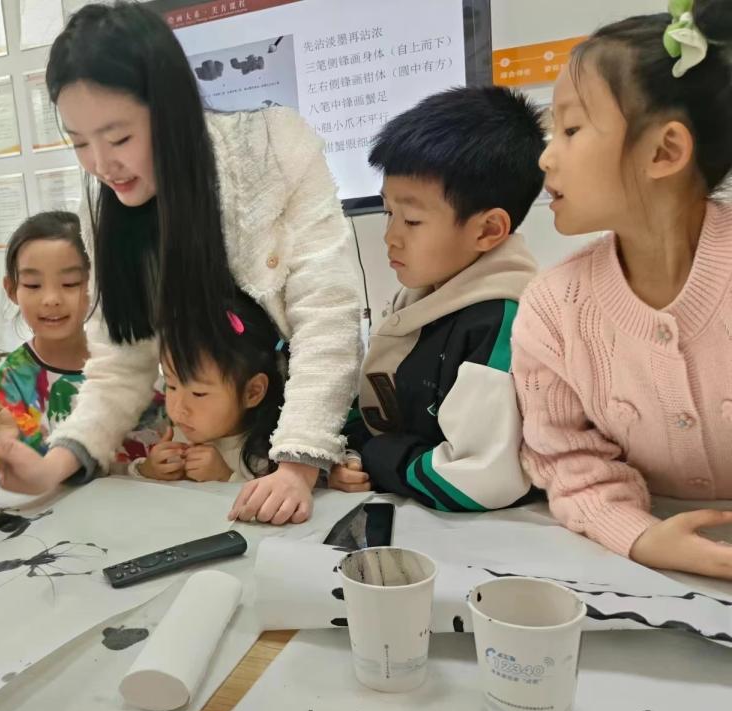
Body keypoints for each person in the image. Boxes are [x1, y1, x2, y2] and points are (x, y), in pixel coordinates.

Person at [0, 2, 362, 526]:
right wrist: (49, 469)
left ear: (170, 111)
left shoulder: (274, 150)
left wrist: (296, 467)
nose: (102, 165)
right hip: (214, 460)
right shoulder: (106, 212)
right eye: (80, 142)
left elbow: (327, 315)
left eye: (119, 138)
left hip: (303, 436)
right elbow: (121, 363)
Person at [513, 0, 732, 579]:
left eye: (571, 129)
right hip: (646, 570)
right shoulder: (552, 308)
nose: (546, 156)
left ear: (664, 152)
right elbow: (567, 457)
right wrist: (640, 536)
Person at [329, 86, 544, 512]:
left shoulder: (502, 319)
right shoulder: (421, 295)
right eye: (388, 212)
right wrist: (349, 454)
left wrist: (375, 456)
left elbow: (478, 479)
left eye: (411, 220)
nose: (390, 236)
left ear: (488, 230)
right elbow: (378, 402)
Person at [0, 211, 166, 465]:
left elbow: (159, 443)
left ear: (97, 285)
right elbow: (25, 472)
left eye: (70, 283)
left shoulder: (127, 364)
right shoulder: (9, 381)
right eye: (33, 285)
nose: (51, 299)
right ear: (12, 289)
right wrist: (6, 443)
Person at [134, 292, 287, 484]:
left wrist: (226, 477)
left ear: (252, 392)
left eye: (198, 393)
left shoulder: (269, 455)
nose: (179, 408)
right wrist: (147, 470)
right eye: (171, 386)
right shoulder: (175, 435)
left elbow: (271, 498)